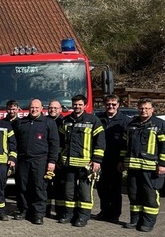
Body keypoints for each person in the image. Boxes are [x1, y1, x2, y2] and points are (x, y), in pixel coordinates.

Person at [121, 98, 165, 232]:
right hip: (133, 167)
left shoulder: (161, 125)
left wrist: (163, 164)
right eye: (141, 108)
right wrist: (122, 160)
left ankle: (148, 222)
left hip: (151, 169)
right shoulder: (131, 125)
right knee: (133, 194)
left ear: (152, 110)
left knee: (149, 195)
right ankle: (135, 220)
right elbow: (124, 145)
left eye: (146, 108)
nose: (143, 111)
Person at [57, 95, 105, 227]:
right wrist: (60, 157)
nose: (77, 107)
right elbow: (60, 142)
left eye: (79, 104)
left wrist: (96, 160)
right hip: (68, 163)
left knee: (85, 192)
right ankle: (69, 214)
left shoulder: (93, 121)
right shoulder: (66, 120)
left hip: (85, 164)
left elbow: (100, 143)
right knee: (68, 191)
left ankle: (83, 216)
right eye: (75, 104)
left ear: (84, 105)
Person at [13, 99, 59, 224]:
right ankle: (23, 210)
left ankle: (38, 214)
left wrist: (52, 161)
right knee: (22, 187)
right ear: (29, 108)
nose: (34, 110)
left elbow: (54, 144)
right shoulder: (21, 123)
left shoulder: (48, 123)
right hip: (23, 160)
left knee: (39, 188)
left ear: (41, 108)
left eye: (37, 108)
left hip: (40, 161)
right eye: (32, 107)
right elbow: (14, 142)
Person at [95, 94, 130, 223]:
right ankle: (104, 211)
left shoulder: (125, 120)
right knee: (101, 187)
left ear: (118, 105)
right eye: (108, 104)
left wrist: (122, 160)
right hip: (100, 159)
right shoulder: (98, 118)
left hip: (116, 160)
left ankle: (115, 214)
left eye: (113, 104)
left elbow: (126, 143)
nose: (111, 106)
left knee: (115, 189)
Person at [45, 100, 64, 217]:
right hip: (46, 159)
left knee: (60, 187)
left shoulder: (64, 122)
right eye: (51, 108)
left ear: (60, 109)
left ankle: (60, 211)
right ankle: (45, 210)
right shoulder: (44, 121)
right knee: (45, 186)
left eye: (55, 108)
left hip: (60, 160)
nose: (52, 110)